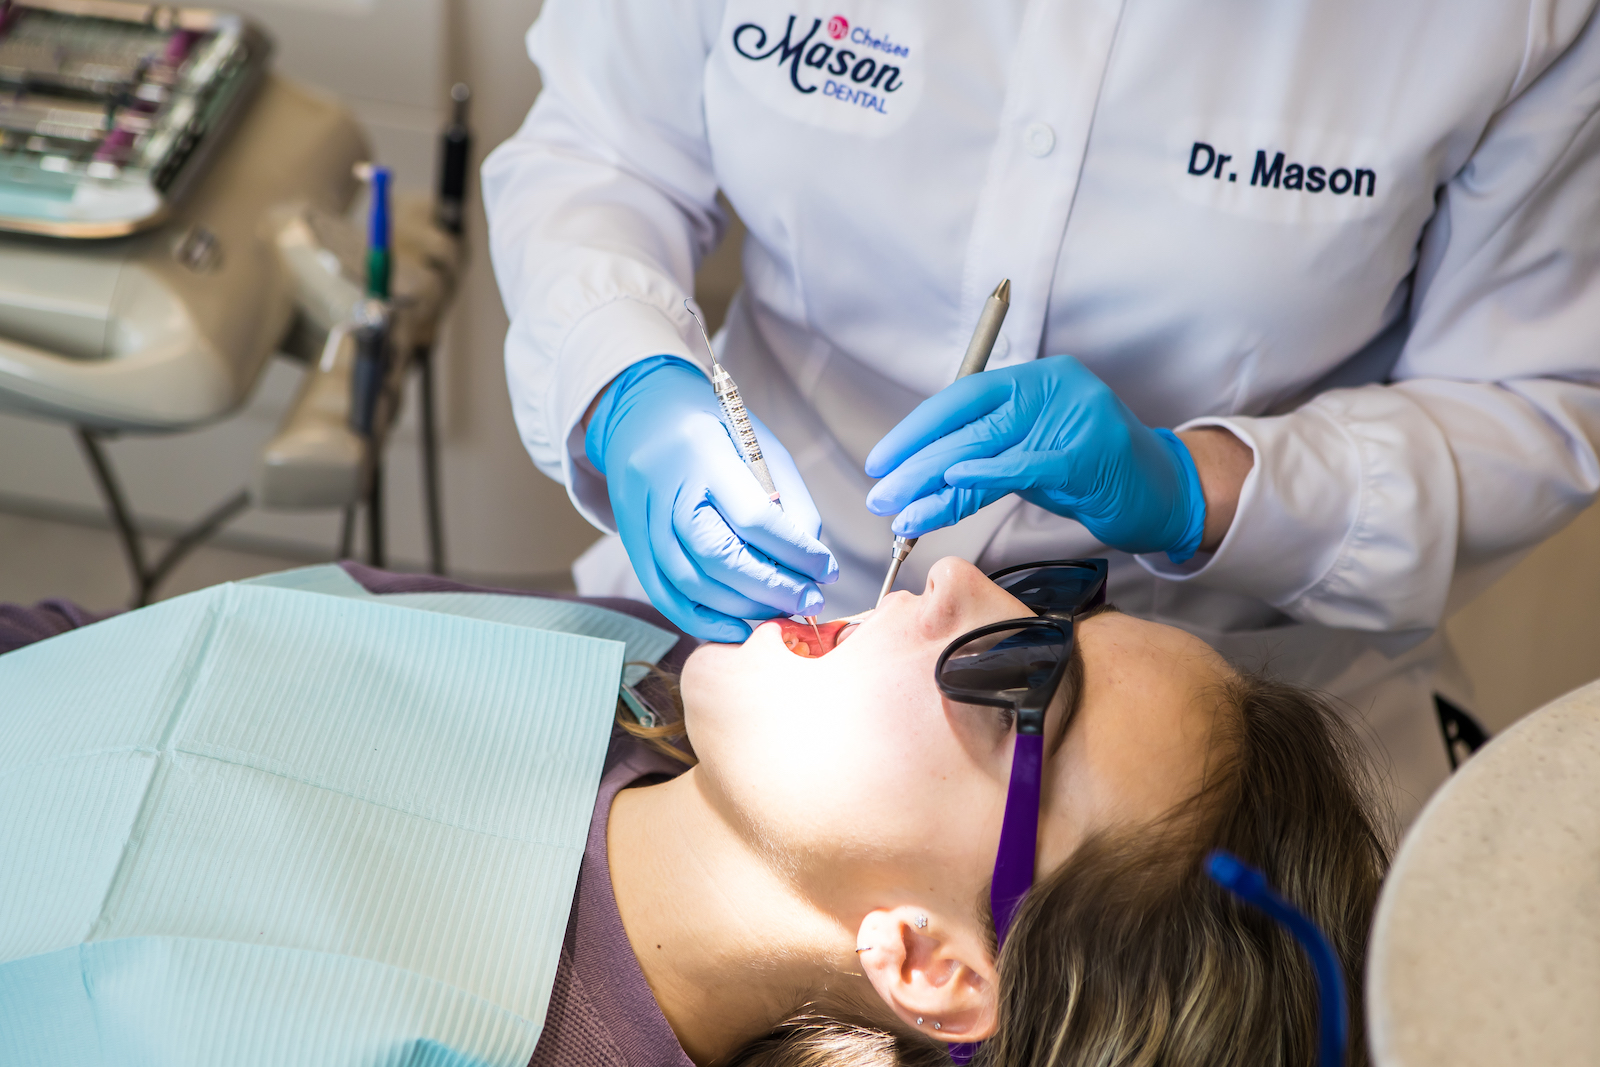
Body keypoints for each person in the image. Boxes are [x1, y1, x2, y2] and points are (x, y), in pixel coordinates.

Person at [483, 0, 1600, 823]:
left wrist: (1194, 484)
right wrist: (630, 384)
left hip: (1222, 692)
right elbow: (599, 152)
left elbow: (1536, 400)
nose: (949, 591)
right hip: (742, 600)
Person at [0, 557, 1388, 1065]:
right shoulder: (614, 652)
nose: (959, 581)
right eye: (1056, 595)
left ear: (925, 959)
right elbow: (101, 650)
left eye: (1016, 677)